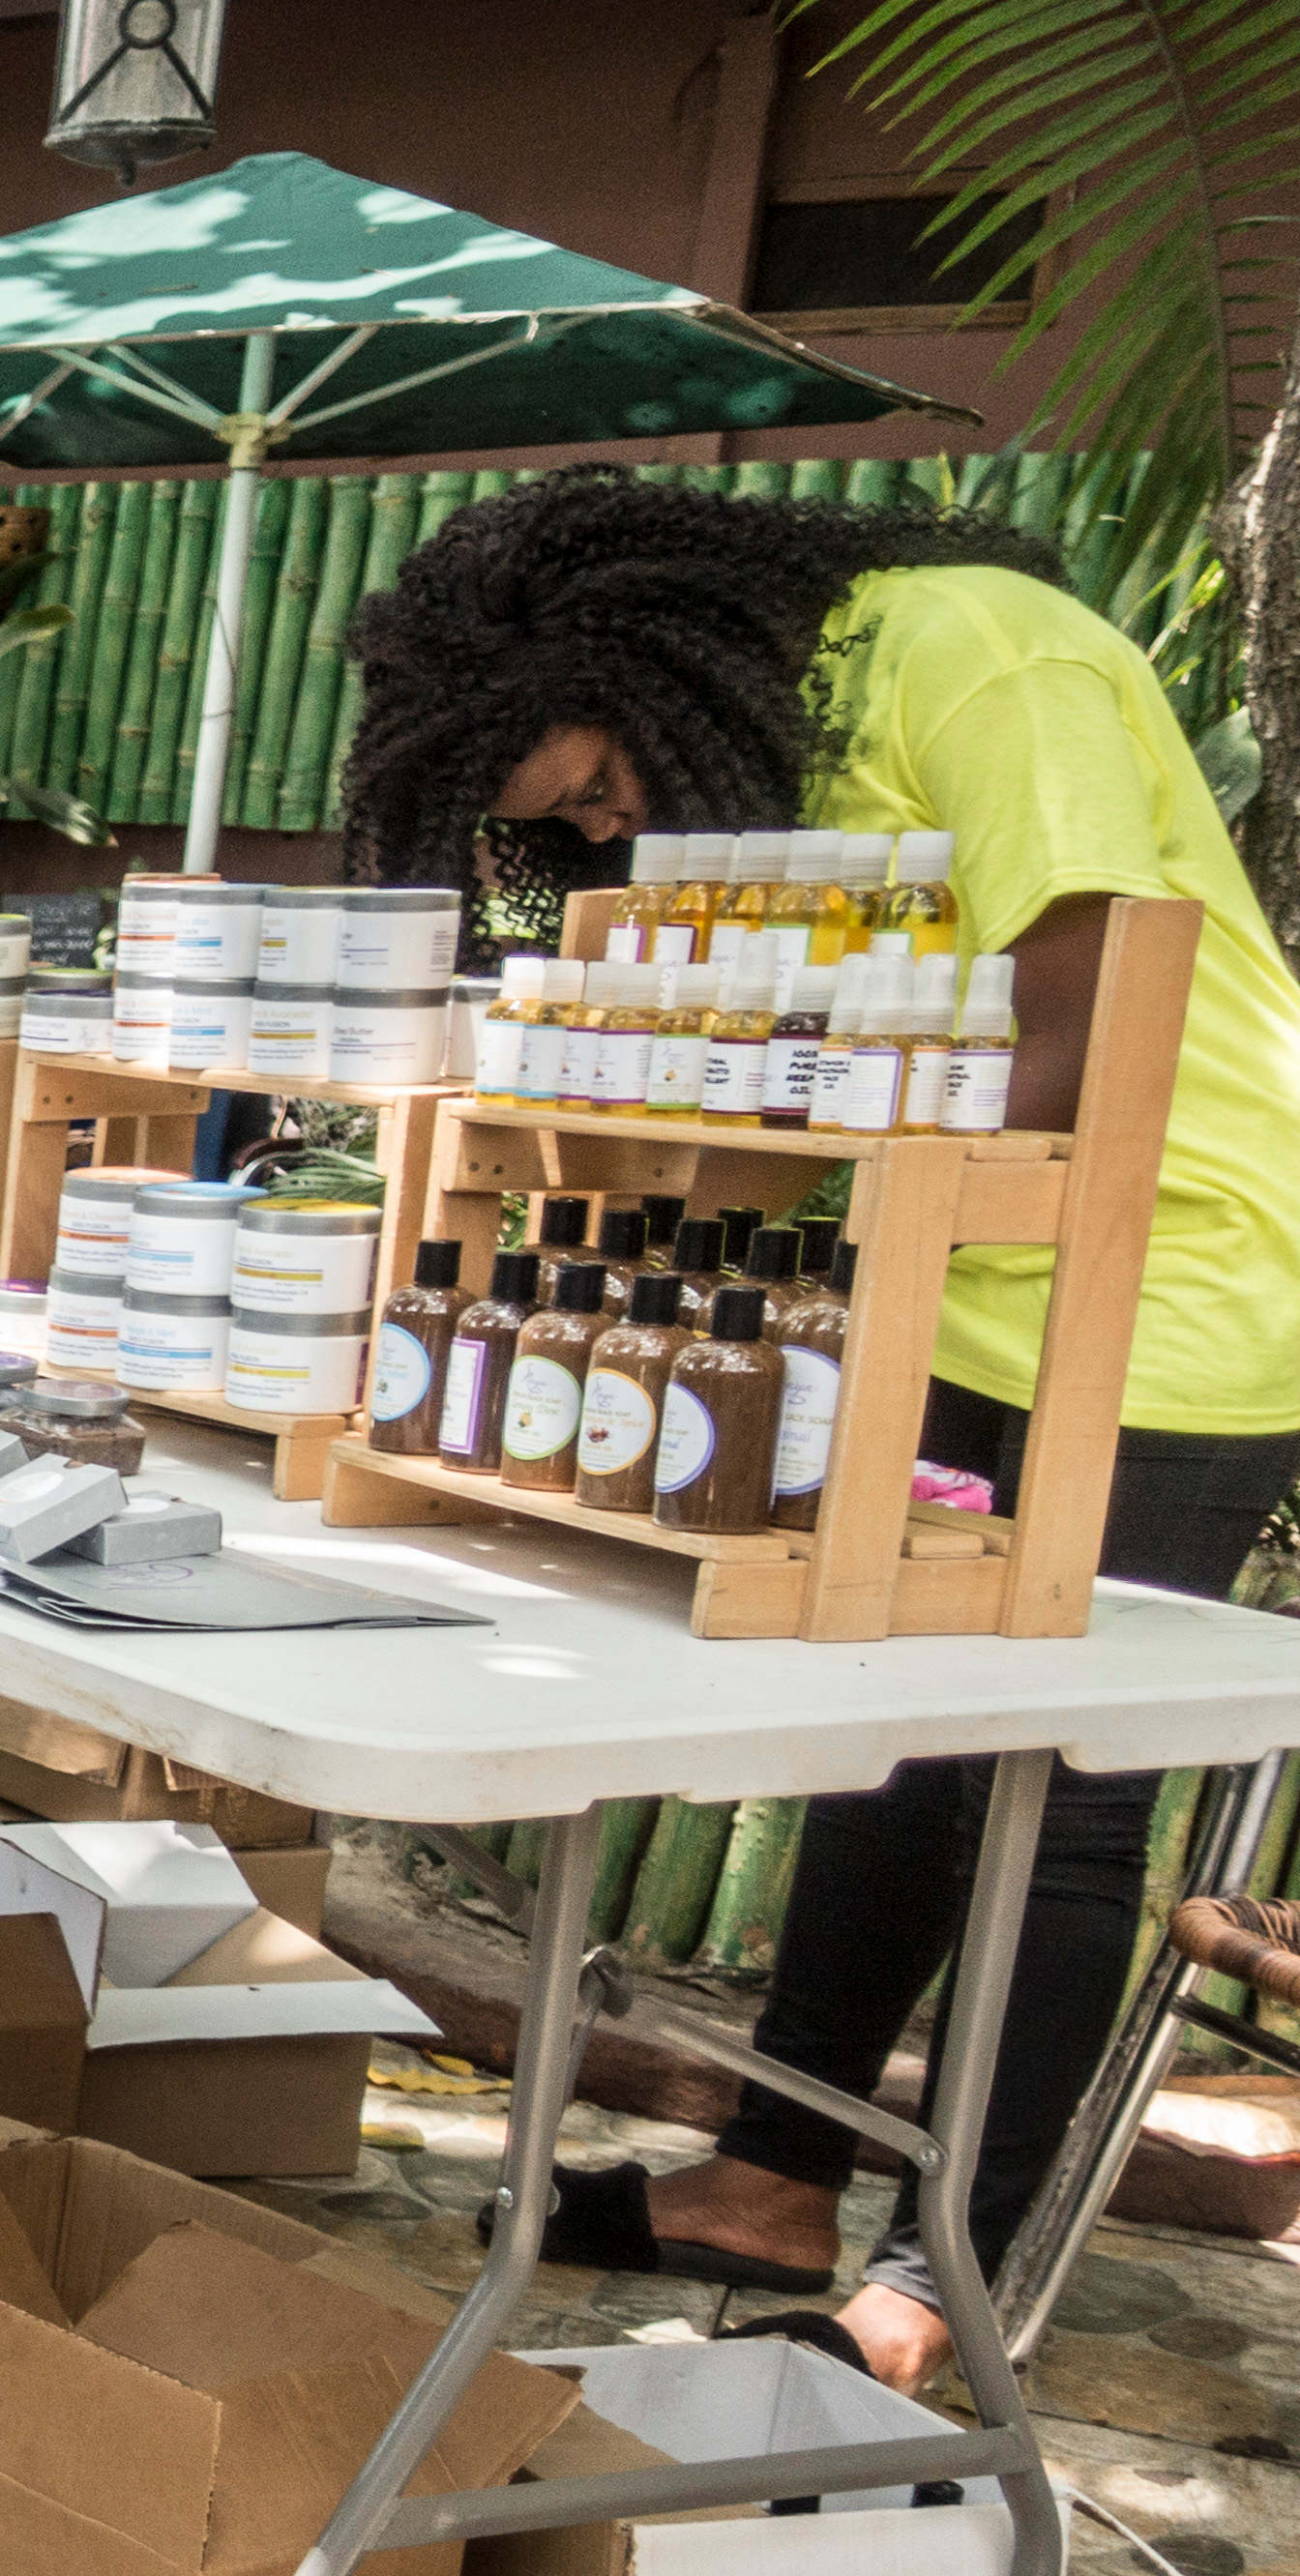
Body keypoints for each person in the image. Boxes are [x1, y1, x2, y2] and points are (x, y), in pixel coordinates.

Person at [341, 467, 1300, 2394]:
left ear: (662, 674)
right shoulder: (706, 751)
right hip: (930, 1266)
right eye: (555, 812)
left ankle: (952, 2283)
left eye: (603, 792)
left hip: (1174, 1265)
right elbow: (561, 944)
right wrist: (529, 948)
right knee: (892, 1752)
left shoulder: (984, 657)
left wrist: (704, 1132)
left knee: (1056, 1794)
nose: (604, 833)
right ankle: (776, 2179)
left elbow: (1064, 1023)